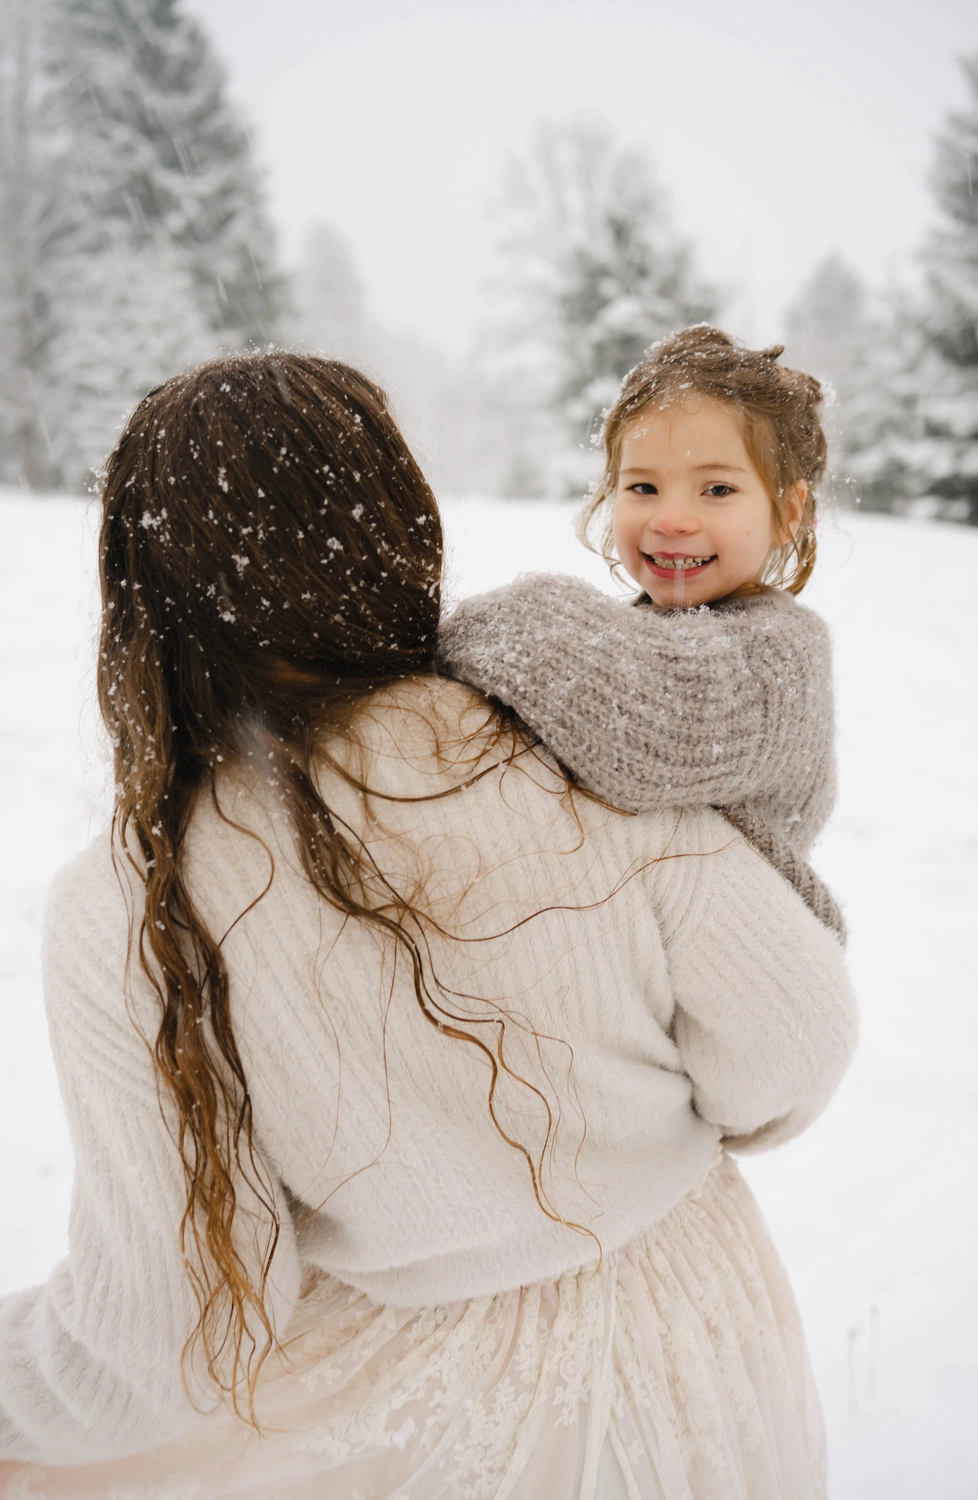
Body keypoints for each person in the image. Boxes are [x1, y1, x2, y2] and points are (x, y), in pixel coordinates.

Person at [0, 351, 856, 1500]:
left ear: (145, 593)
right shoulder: (568, 740)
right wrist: (634, 1153)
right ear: (397, 528)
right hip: (697, 1333)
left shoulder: (130, 902)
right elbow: (793, 1037)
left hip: (423, 1409)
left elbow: (165, 1332)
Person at [438, 325, 844, 941]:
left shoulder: (781, 657)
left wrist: (463, 633)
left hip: (746, 964)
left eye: (717, 489)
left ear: (788, 513)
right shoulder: (637, 632)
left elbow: (655, 726)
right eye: (643, 487)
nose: (671, 519)